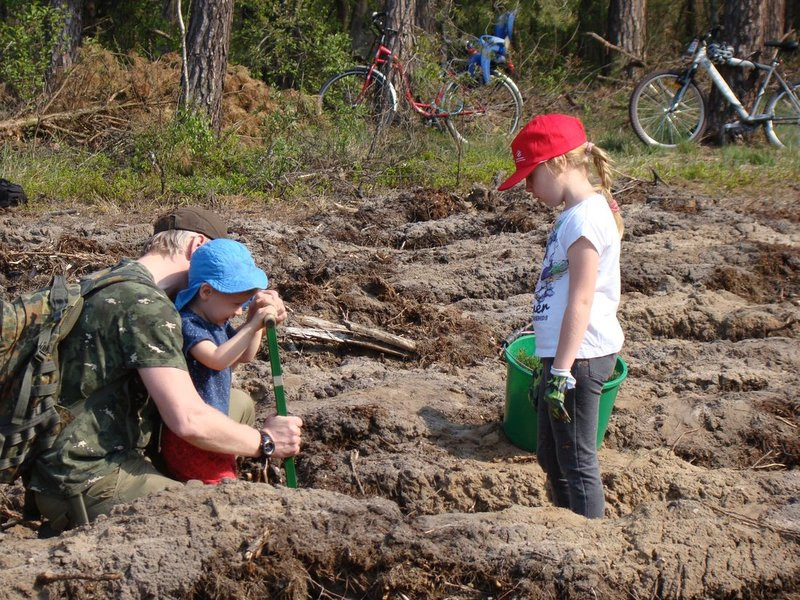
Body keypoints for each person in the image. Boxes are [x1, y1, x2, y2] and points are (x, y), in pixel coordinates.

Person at [28, 207, 303, 531]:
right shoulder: (148, 306)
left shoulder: (111, 279)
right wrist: (266, 441)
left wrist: (252, 318)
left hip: (83, 451)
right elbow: (188, 421)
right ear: (198, 247)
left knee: (239, 402)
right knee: (221, 520)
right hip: (87, 475)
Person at [497, 114, 624, 519]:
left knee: (577, 460)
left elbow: (581, 300)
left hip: (581, 359)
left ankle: (588, 537)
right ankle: (565, 522)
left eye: (530, 176)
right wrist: (549, 363)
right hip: (564, 357)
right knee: (550, 454)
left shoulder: (586, 219)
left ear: (556, 163)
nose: (528, 188)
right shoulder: (573, 216)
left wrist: (562, 371)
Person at [161, 238, 272, 484]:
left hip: (215, 419)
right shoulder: (190, 323)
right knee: (217, 484)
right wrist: (251, 326)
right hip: (191, 437)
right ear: (206, 292)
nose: (239, 311)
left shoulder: (217, 321)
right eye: (236, 304)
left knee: (222, 477)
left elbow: (244, 355)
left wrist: (254, 323)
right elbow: (217, 359)